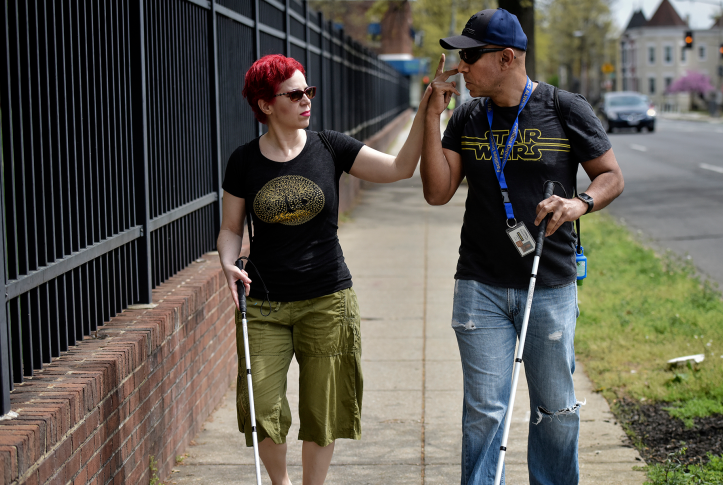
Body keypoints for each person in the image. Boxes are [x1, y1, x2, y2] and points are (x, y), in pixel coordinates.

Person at [217, 54, 451, 485]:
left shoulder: (331, 147)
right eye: (294, 94)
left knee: (322, 408)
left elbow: (401, 168)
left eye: (309, 91)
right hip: (264, 303)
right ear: (266, 105)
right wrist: (228, 262)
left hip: (327, 300)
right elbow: (231, 229)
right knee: (261, 406)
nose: (306, 100)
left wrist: (426, 107)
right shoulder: (243, 161)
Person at [419, 9, 624, 485]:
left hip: (548, 284)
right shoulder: (468, 116)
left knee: (555, 411)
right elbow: (436, 191)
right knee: (485, 413)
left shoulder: (564, 107)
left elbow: (611, 176)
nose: (462, 66)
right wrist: (433, 114)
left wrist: (579, 204)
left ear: (507, 57)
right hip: (480, 286)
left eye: (470, 56)